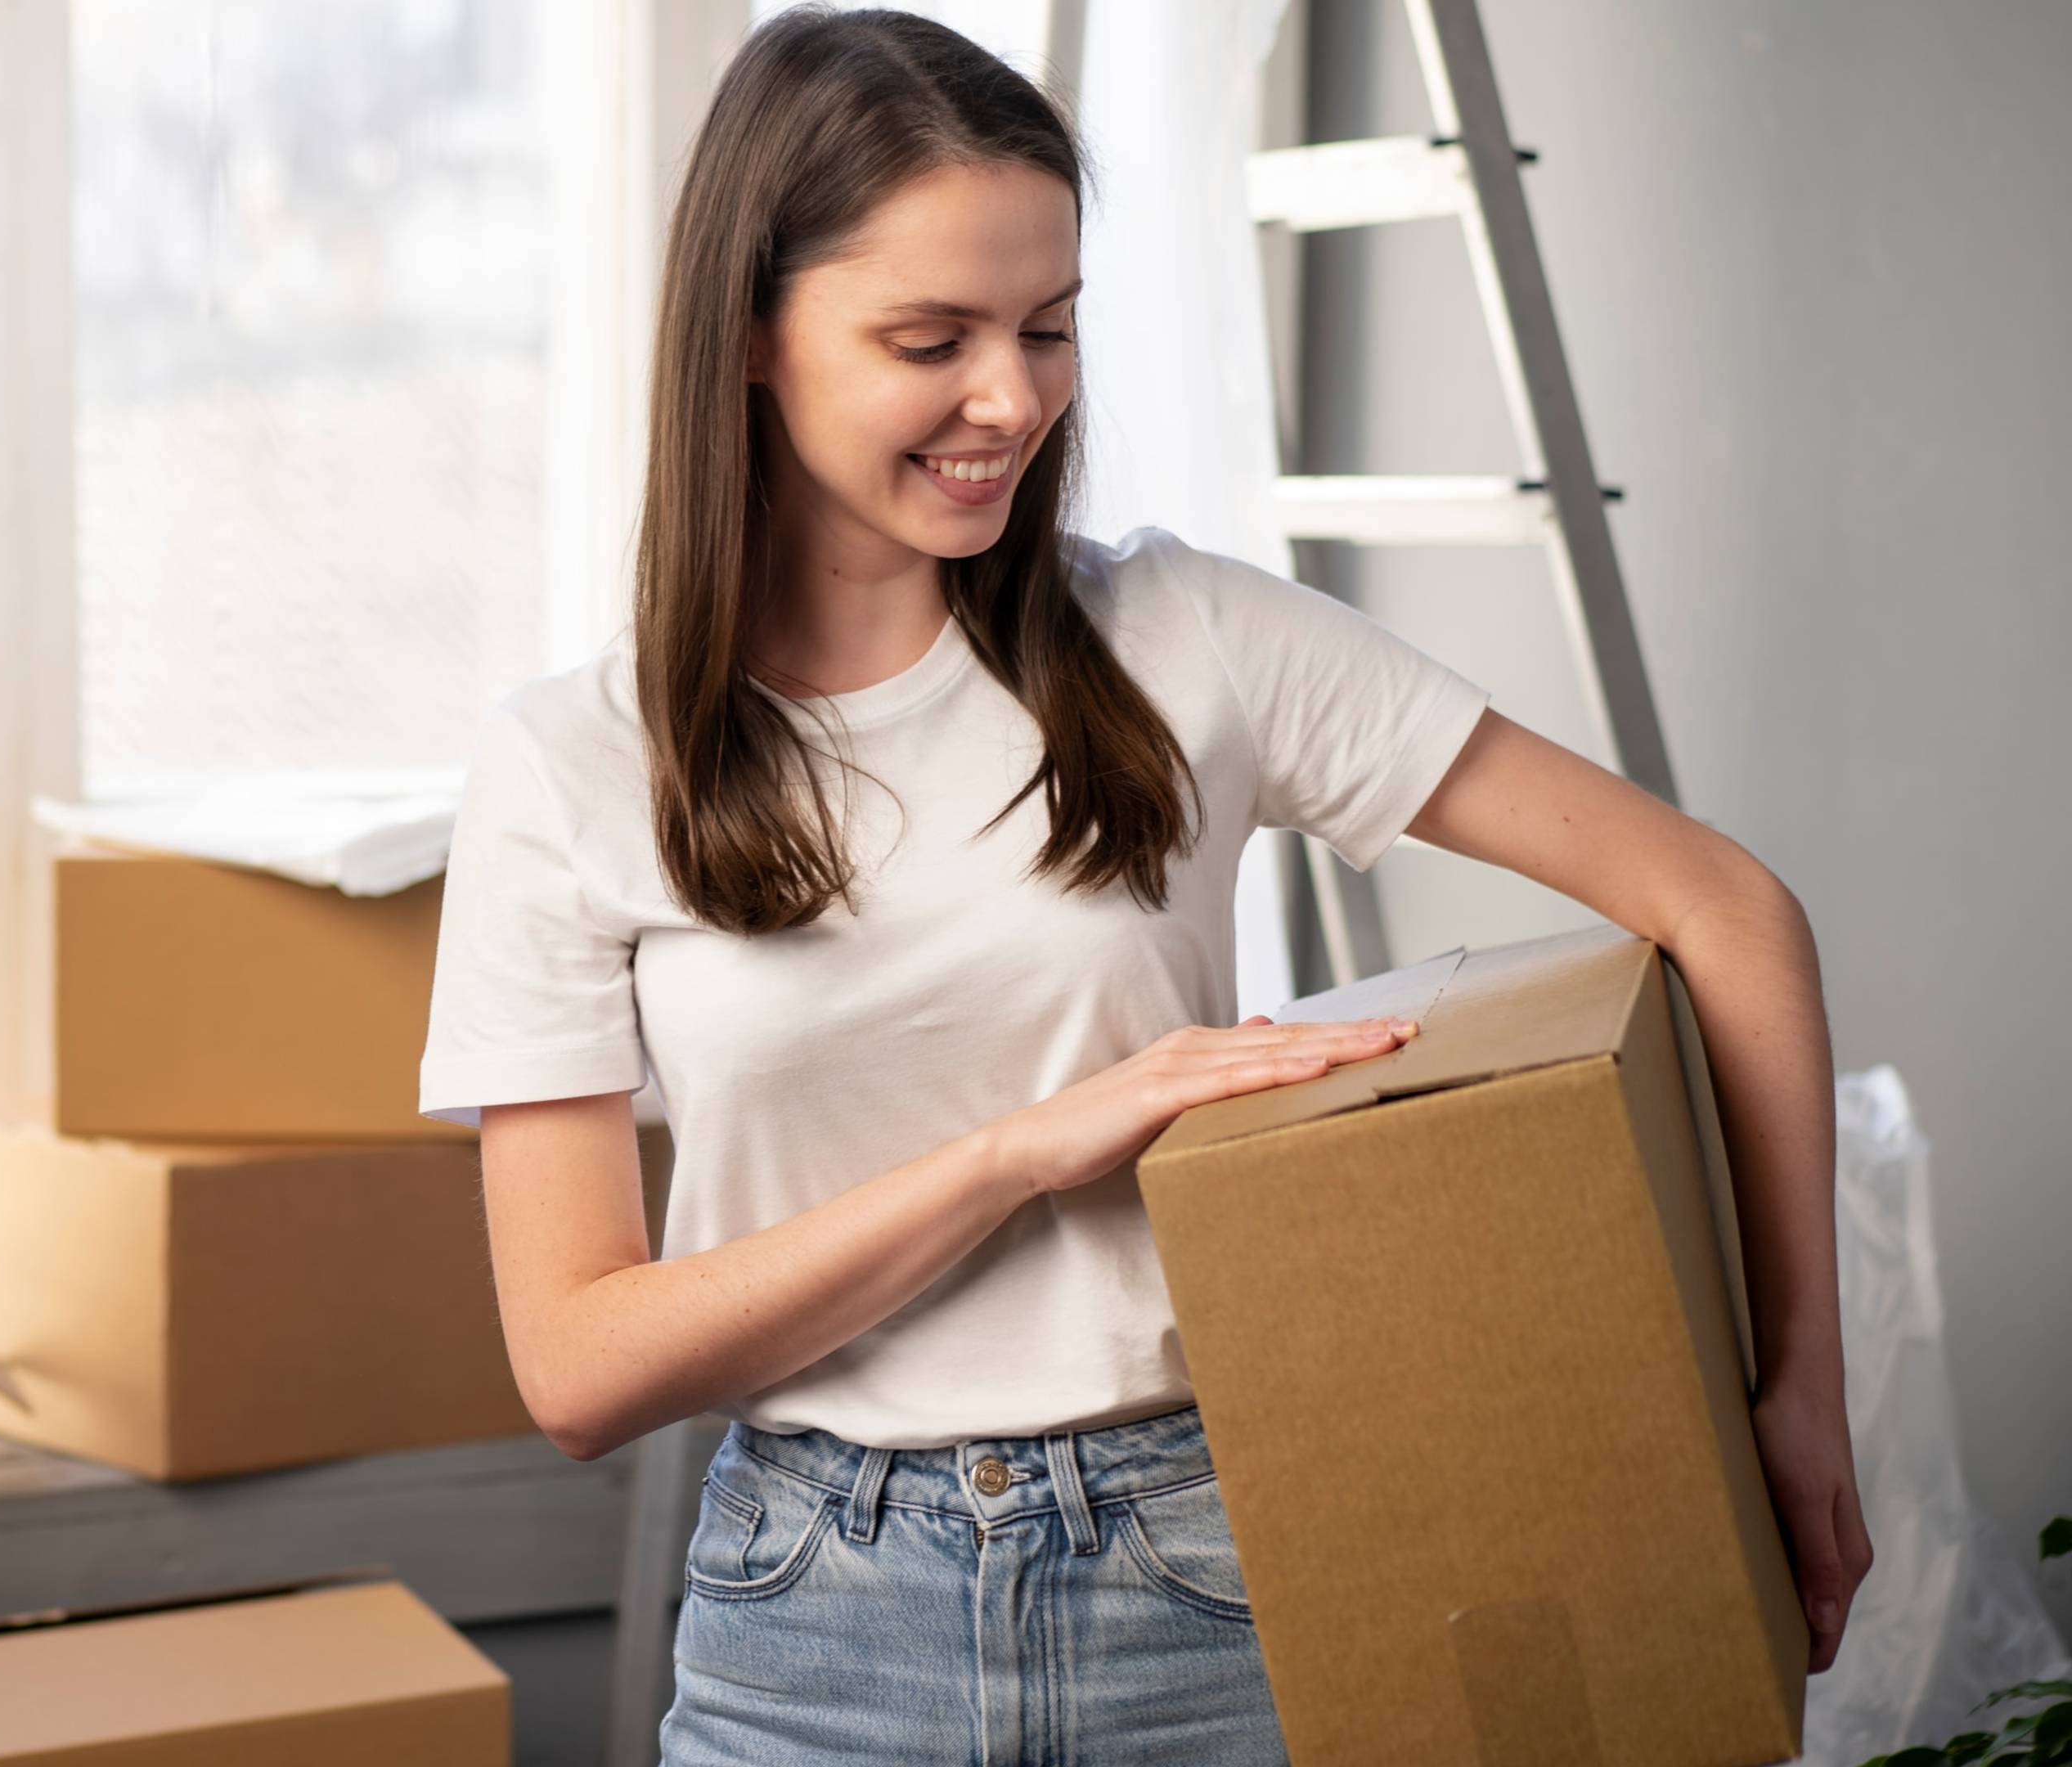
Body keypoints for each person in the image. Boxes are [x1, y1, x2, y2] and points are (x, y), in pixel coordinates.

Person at [414, 6, 1870, 1761]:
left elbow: (1726, 907)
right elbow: (579, 1368)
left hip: (1213, 1566)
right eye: (928, 338)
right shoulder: (574, 764)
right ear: (746, 333)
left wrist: (1800, 1392)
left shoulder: (1189, 638)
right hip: (812, 1617)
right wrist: (1026, 1151)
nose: (1012, 400)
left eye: (1050, 327)